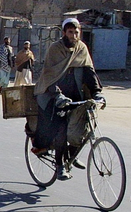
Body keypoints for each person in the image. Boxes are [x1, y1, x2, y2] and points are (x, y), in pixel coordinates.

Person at [32, 17, 104, 180]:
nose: (74, 35)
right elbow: (50, 76)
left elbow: (89, 73)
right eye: (70, 32)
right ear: (64, 32)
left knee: (82, 127)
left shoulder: (82, 48)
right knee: (61, 128)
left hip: (75, 94)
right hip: (52, 94)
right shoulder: (55, 49)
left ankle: (71, 156)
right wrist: (58, 95)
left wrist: (96, 92)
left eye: (76, 32)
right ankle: (59, 166)